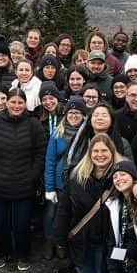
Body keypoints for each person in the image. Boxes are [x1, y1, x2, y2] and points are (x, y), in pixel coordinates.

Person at [56, 136, 125, 273]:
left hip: (109, 241)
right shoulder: (77, 177)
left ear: (112, 152)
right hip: (81, 238)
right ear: (89, 153)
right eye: (96, 151)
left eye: (104, 151)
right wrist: (60, 237)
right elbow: (64, 208)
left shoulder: (120, 177)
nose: (100, 155)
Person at [0, 87, 47, 270]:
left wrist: (32, 176)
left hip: (24, 186)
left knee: (21, 225)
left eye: (20, 102)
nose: (16, 106)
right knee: (0, 224)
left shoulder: (34, 125)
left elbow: (40, 154)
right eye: (13, 102)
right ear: (6, 103)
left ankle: (22, 255)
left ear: (25, 104)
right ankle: (3, 252)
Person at [43, 96, 87, 259]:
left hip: (78, 183)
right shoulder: (57, 133)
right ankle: (50, 241)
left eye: (77, 112)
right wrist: (49, 187)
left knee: (70, 216)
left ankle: (62, 243)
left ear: (83, 114)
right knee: (51, 215)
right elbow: (50, 161)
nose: (73, 115)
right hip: (59, 183)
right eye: (70, 112)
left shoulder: (88, 133)